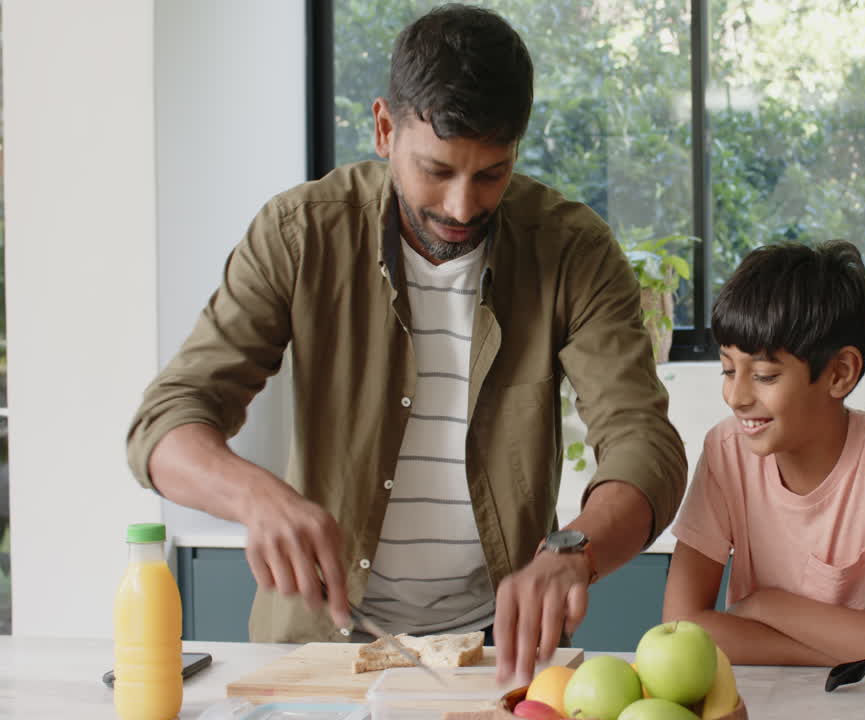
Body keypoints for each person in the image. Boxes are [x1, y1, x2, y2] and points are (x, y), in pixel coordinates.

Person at [126, 4, 686, 683]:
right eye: (437, 170)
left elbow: (642, 442)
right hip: (316, 648)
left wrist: (573, 549)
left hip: (492, 653)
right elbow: (165, 423)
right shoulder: (300, 233)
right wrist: (254, 496)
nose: (460, 206)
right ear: (385, 128)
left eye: (490, 175)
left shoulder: (571, 250)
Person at [662, 241, 865, 666]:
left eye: (764, 375)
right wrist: (849, 649)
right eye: (728, 369)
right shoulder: (727, 449)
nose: (735, 395)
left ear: (839, 373)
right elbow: (679, 630)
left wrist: (768, 606)